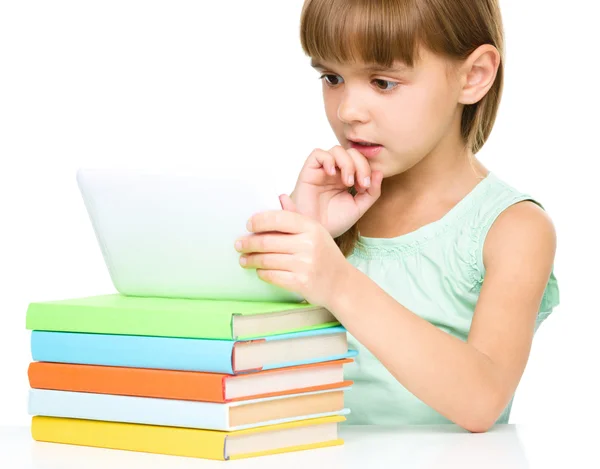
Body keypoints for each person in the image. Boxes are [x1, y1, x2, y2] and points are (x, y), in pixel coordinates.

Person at [233, 0, 559, 432]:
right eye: (332, 78)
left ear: (474, 76)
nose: (348, 110)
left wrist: (336, 279)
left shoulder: (514, 229)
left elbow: (482, 400)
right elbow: (243, 375)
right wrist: (305, 232)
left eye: (383, 82)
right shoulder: (332, 209)